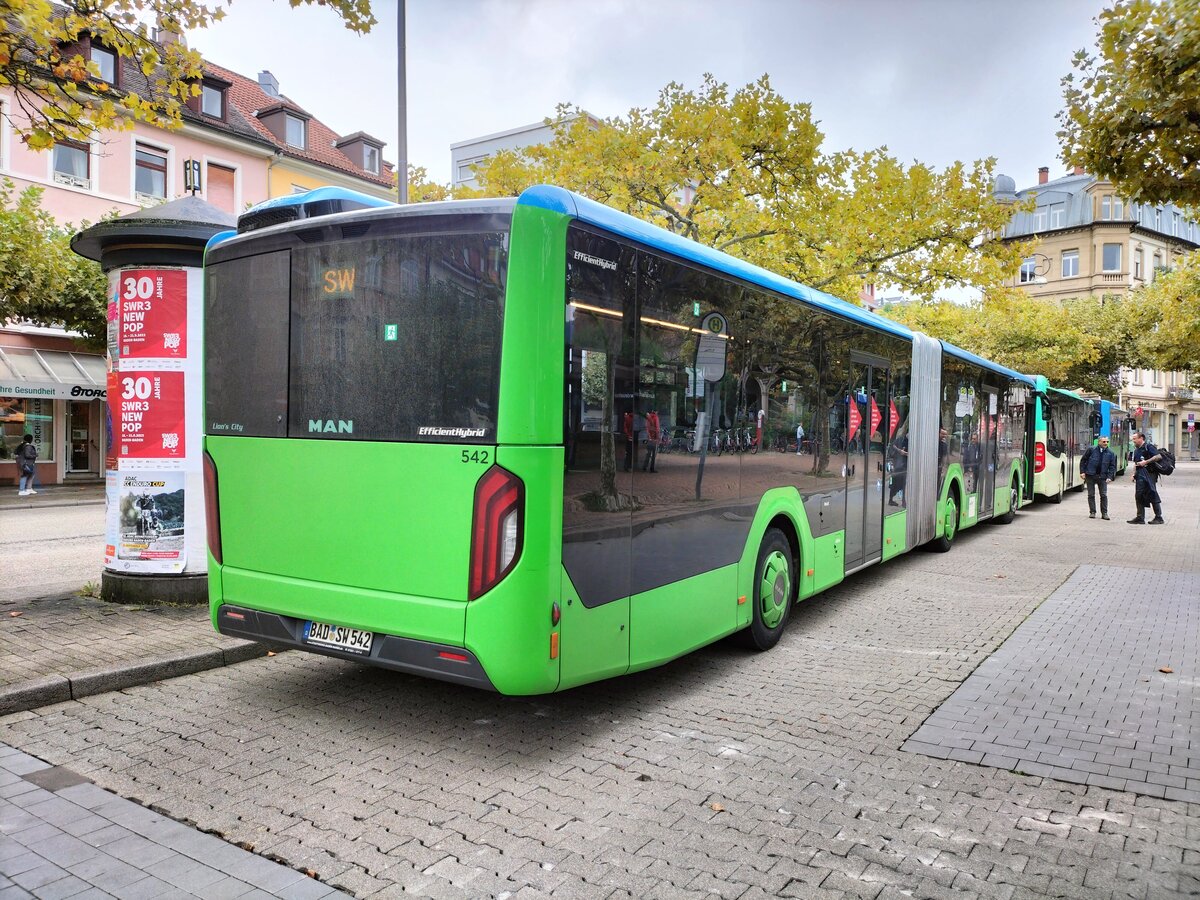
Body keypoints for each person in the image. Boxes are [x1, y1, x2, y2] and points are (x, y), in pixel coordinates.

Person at [1128, 431, 1165, 524]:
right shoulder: (1136, 450)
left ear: (1141, 438)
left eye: (1135, 439)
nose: (1133, 441)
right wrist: (1133, 474)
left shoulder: (1149, 447)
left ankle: (1159, 517)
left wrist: (1146, 462)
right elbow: (1136, 464)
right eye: (1133, 439)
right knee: (1139, 495)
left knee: (1152, 493)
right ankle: (1140, 517)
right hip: (1140, 475)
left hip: (1150, 474)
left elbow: (1158, 456)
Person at [1080, 436, 1117, 519]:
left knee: (1103, 495)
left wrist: (1110, 477)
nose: (1106, 443)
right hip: (1090, 475)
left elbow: (1112, 466)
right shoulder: (1091, 450)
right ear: (1099, 442)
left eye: (1107, 442)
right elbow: (1083, 460)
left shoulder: (1110, 453)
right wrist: (1082, 472)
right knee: (1091, 494)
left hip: (1103, 476)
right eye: (1104, 442)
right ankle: (1092, 512)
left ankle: (1104, 513)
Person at [887, 433, 908, 505]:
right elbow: (892, 446)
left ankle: (903, 501)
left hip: (905, 466)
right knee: (894, 483)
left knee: (904, 483)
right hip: (897, 465)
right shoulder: (900, 439)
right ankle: (891, 500)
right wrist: (900, 451)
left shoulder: (912, 442)